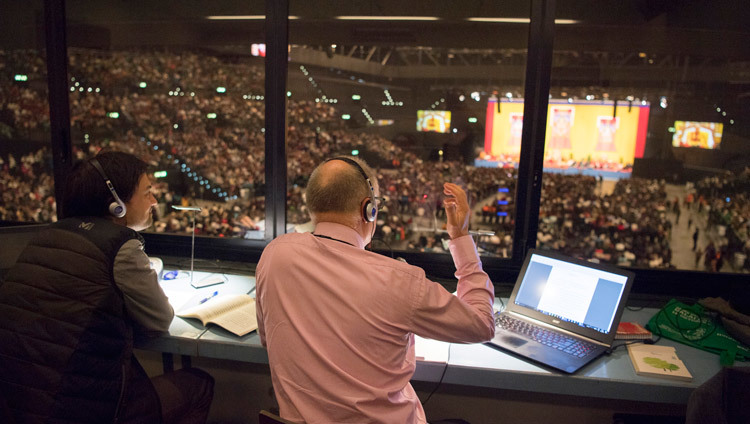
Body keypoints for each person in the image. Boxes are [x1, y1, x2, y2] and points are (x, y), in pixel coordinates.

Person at [256, 156, 495, 423]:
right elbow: (483, 324)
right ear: (368, 209)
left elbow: (268, 338)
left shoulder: (275, 254)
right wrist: (461, 238)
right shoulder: (399, 280)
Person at [0, 151, 214, 424]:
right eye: (147, 192)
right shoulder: (120, 245)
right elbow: (160, 320)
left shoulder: (47, 234)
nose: (154, 200)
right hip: (76, 409)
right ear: (117, 203)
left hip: (18, 403)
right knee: (198, 385)